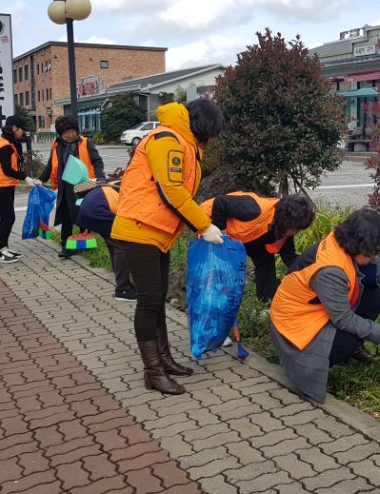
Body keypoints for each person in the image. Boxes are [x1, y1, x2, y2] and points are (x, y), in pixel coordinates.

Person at [111, 98, 225, 396]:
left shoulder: (185, 144)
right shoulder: (168, 140)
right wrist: (204, 225)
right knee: (149, 301)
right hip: (139, 230)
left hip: (156, 232)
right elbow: (170, 189)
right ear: (202, 125)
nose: (213, 139)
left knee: (157, 297)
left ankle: (164, 360)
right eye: (213, 132)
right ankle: (153, 372)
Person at [269, 208, 380, 403]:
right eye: (372, 252)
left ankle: (352, 349)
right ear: (358, 246)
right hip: (294, 327)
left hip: (314, 312)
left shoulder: (343, 244)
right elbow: (343, 319)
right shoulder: (329, 269)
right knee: (347, 340)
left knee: (375, 297)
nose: (374, 257)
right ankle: (319, 361)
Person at [201, 192, 316, 302]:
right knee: (219, 266)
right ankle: (209, 299)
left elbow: (290, 258)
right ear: (287, 221)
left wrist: (314, 272)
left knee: (265, 258)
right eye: (296, 228)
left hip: (244, 237)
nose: (296, 232)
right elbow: (220, 202)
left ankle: (265, 302)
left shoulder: (284, 231)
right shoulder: (253, 209)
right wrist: (220, 232)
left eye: (299, 229)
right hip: (210, 222)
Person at [38, 115, 105, 259]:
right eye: (66, 132)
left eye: (73, 131)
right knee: (67, 216)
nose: (70, 135)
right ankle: (66, 247)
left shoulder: (86, 143)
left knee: (84, 214)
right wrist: (41, 180)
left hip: (84, 184)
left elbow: (97, 162)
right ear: (60, 133)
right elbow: (51, 164)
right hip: (65, 185)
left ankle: (86, 244)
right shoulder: (56, 145)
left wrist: (100, 179)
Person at [0, 115, 40, 263]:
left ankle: (4, 248)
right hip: (0, 185)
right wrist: (26, 178)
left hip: (5, 184)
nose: (23, 132)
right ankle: (0, 251)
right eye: (22, 129)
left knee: (7, 217)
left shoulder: (10, 143)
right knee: (8, 217)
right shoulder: (4, 146)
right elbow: (7, 170)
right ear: (15, 128)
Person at [75, 179, 139, 302]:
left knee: (114, 245)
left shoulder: (119, 180)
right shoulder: (134, 187)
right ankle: (123, 289)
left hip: (88, 205)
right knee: (121, 246)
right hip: (98, 209)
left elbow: (87, 185)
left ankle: (124, 284)